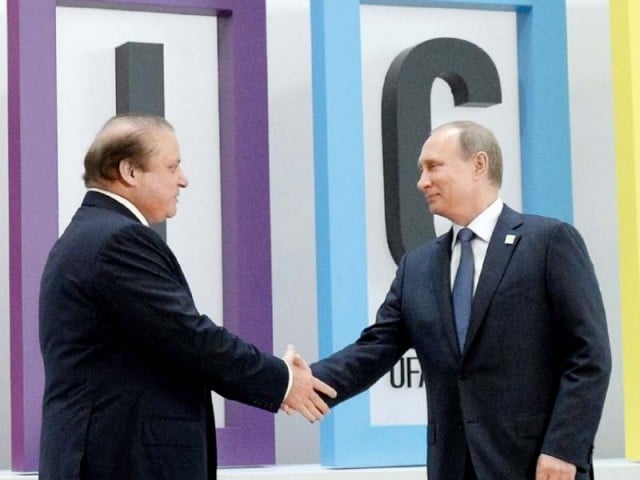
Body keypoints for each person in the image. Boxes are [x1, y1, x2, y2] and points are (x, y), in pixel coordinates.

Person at [303, 121, 611, 480]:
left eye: (433, 166)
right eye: (421, 170)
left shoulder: (548, 242)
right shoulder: (416, 267)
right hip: (452, 465)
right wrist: (302, 381)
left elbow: (589, 355)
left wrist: (563, 447)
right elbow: (374, 349)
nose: (422, 181)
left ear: (479, 165)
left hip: (537, 465)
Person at [38, 114, 336, 480]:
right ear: (130, 171)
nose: (183, 179)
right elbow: (192, 338)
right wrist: (283, 381)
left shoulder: (88, 235)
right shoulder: (118, 241)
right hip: (123, 463)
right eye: (172, 166)